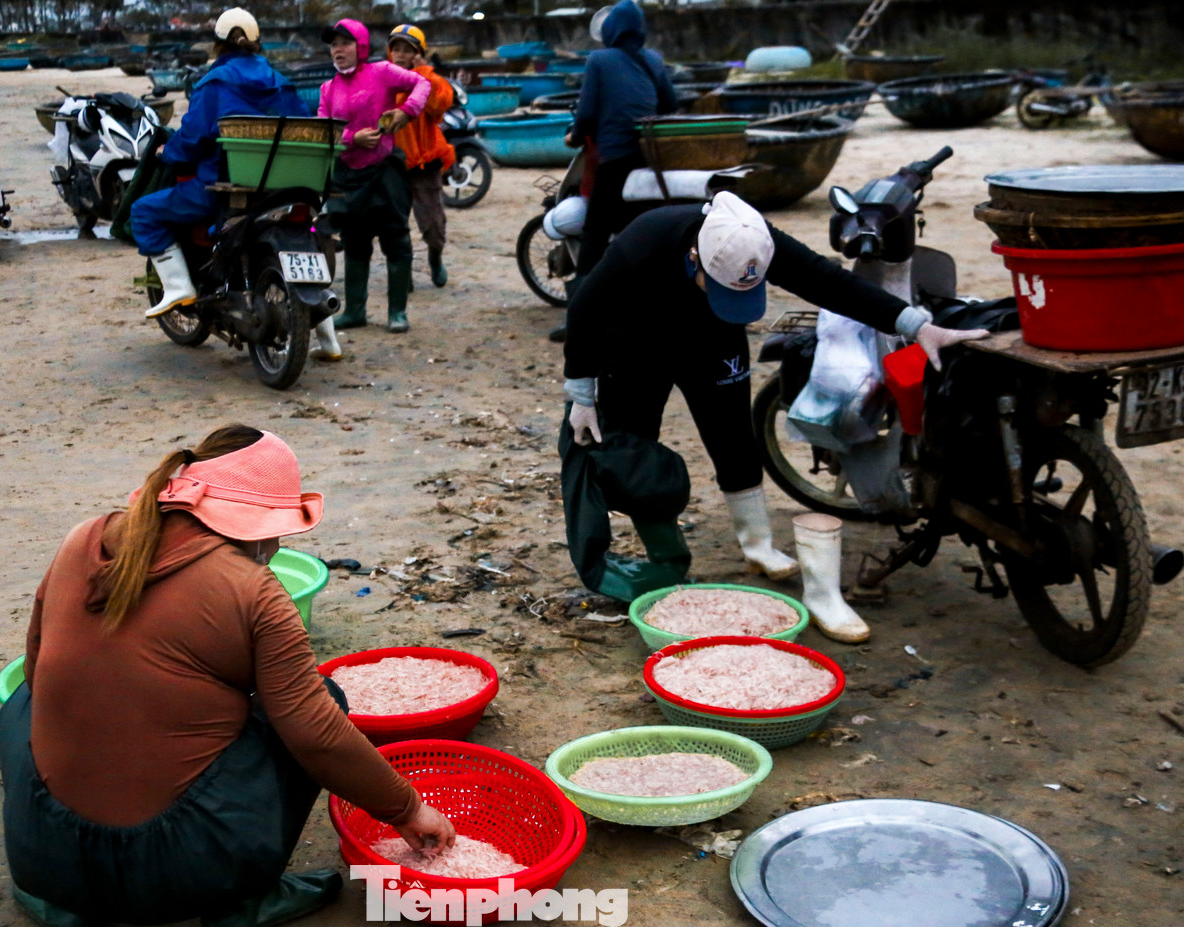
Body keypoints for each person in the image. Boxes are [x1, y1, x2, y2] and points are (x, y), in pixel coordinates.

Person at [0, 425, 455, 927]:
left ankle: (71, 893)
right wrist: (409, 809)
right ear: (257, 521)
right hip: (171, 877)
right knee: (316, 704)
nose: (278, 545)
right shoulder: (253, 591)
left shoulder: (83, 536)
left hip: (43, 862)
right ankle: (243, 898)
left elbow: (38, 666)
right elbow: (318, 738)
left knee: (24, 698)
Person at [560, 192, 988, 642]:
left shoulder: (754, 239)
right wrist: (581, 390)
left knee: (733, 436)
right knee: (636, 448)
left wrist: (915, 324)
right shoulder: (644, 240)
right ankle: (662, 555)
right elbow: (586, 308)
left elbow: (831, 283)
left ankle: (757, 545)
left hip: (713, 339)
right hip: (635, 345)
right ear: (694, 258)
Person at [136, 9, 308, 321]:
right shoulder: (282, 83)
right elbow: (303, 127)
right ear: (257, 42)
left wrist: (167, 152)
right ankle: (326, 337)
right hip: (280, 186)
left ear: (217, 45)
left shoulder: (213, 83)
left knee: (144, 211)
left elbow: (192, 138)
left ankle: (177, 288)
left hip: (221, 187)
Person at [551, 0, 676, 342]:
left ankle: (581, 319)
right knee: (637, 231)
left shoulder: (599, 60)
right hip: (649, 160)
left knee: (594, 235)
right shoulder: (654, 60)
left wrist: (574, 136)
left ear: (610, 30)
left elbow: (588, 112)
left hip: (615, 159)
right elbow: (670, 104)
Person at [318, 19, 430, 334]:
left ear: (361, 47)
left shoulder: (382, 72)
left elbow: (422, 85)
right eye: (334, 44)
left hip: (385, 170)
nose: (338, 50)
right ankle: (355, 311)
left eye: (345, 43)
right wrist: (353, 139)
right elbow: (324, 133)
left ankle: (397, 312)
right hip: (349, 174)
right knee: (355, 242)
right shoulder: (329, 89)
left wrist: (405, 111)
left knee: (396, 237)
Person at [387, 24, 455, 289]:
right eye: (396, 49)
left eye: (408, 50)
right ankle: (404, 271)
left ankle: (435, 258)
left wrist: (423, 73)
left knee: (433, 224)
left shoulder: (427, 80)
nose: (401, 55)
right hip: (394, 164)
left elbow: (441, 104)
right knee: (395, 224)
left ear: (419, 54)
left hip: (425, 163)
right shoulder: (384, 79)